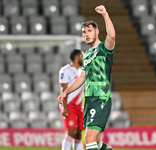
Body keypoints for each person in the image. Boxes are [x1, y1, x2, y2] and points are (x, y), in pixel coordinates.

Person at [58, 5, 115, 150]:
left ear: (97, 32)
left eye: (89, 31)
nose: (86, 34)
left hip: (101, 97)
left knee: (88, 138)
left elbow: (112, 36)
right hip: (89, 100)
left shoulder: (104, 49)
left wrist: (105, 14)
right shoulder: (87, 54)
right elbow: (82, 78)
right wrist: (66, 93)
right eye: (84, 32)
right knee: (96, 143)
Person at [59, 49, 85, 150]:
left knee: (79, 133)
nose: (84, 58)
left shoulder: (82, 71)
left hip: (79, 106)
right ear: (77, 58)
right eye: (82, 56)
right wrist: (64, 107)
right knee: (71, 131)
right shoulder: (65, 70)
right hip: (69, 105)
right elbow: (63, 89)